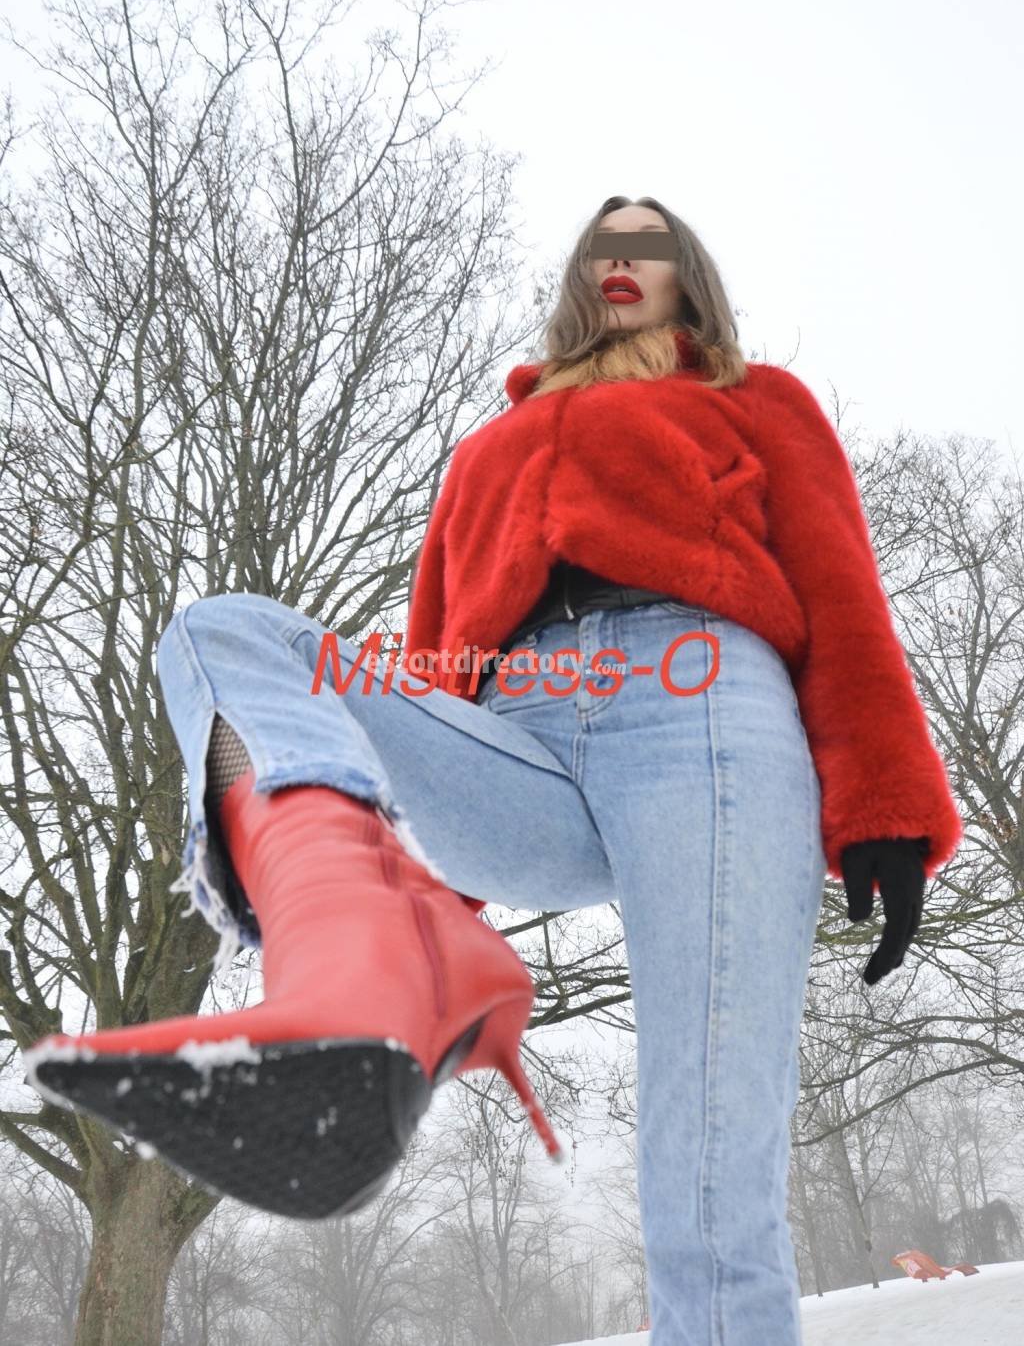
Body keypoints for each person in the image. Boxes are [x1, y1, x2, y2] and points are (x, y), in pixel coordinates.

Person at [24, 196, 961, 1344]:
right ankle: (349, 935)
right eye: (603, 245)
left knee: (706, 1150)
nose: (623, 260)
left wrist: (882, 804)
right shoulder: (491, 445)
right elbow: (433, 649)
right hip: (515, 733)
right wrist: (435, 869)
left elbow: (843, 595)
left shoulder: (752, 400)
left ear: (685, 274)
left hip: (706, 714)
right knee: (224, 632)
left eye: (648, 245)